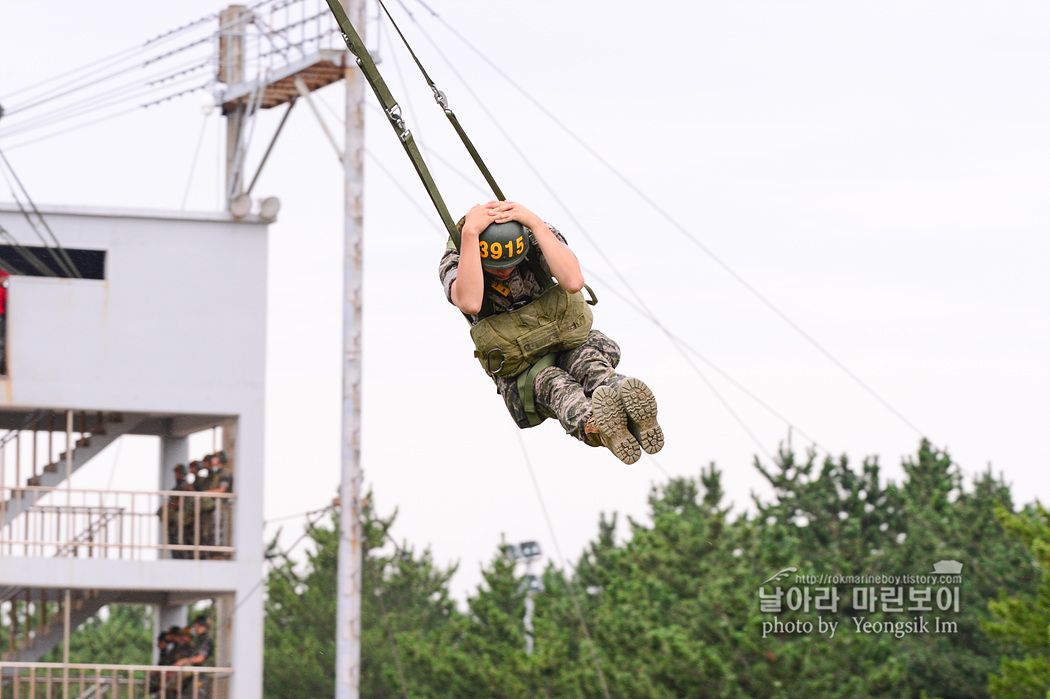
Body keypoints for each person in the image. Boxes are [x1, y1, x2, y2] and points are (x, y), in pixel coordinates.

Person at [438, 200, 664, 464]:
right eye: (496, 266)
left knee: (592, 367)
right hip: (525, 369)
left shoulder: (533, 236)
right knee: (556, 384)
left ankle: (629, 405)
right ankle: (597, 428)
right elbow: (469, 302)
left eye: (511, 263)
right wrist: (469, 236)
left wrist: (535, 224)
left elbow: (573, 281)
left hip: (567, 342)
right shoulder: (459, 257)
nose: (505, 271)